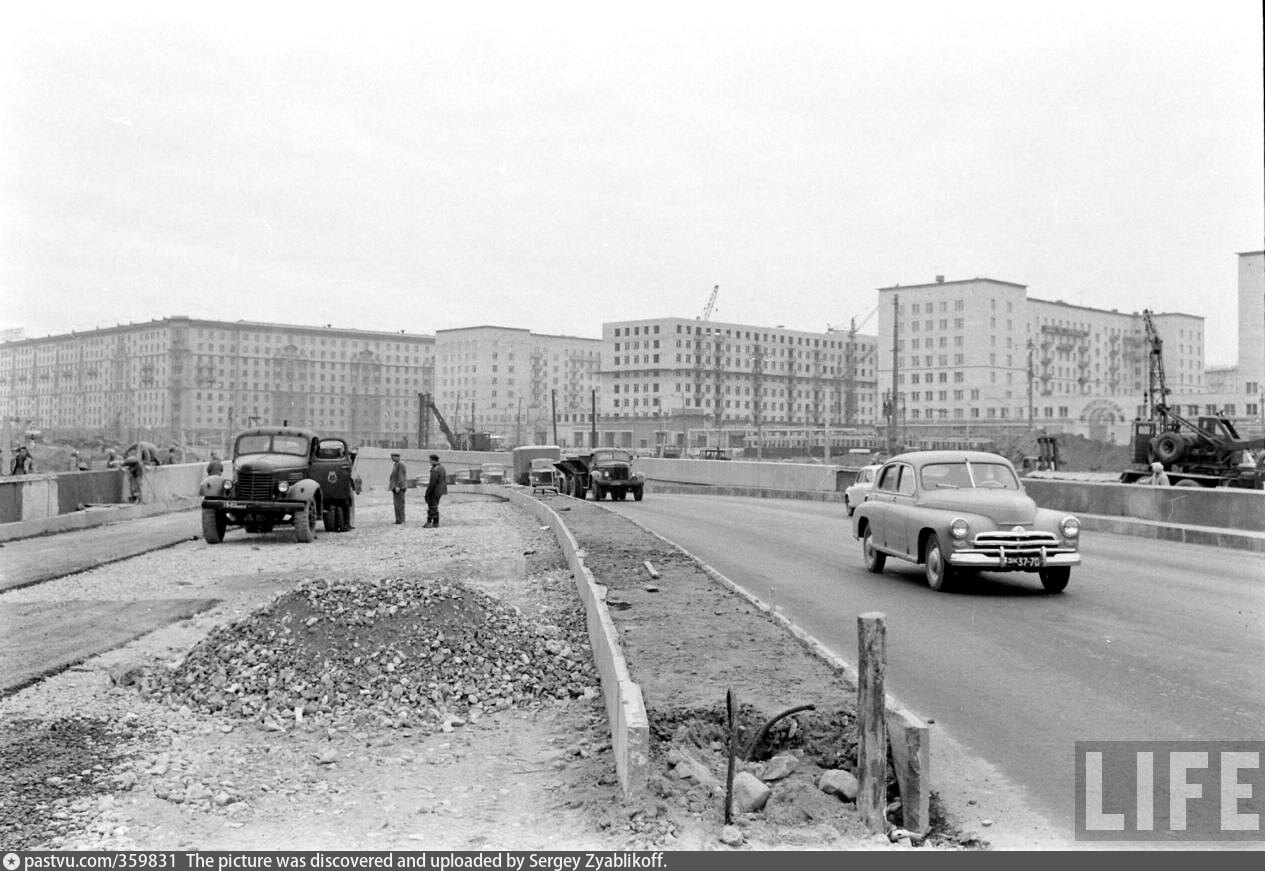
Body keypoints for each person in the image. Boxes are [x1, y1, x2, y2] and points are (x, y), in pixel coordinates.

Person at [424, 453, 448, 528]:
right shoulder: (442, 468)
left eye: (430, 460)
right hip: (440, 490)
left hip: (434, 491)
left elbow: (432, 483)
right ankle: (432, 522)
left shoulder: (435, 470)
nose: (429, 462)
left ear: (433, 460)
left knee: (432, 506)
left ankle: (434, 523)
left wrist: (427, 493)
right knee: (434, 505)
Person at [389, 451, 408, 524]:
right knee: (396, 504)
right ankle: (398, 519)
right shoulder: (396, 464)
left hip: (399, 488)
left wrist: (398, 486)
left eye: (393, 457)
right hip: (395, 487)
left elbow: (401, 476)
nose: (392, 458)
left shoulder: (401, 464)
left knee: (400, 504)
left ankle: (402, 520)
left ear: (397, 457)